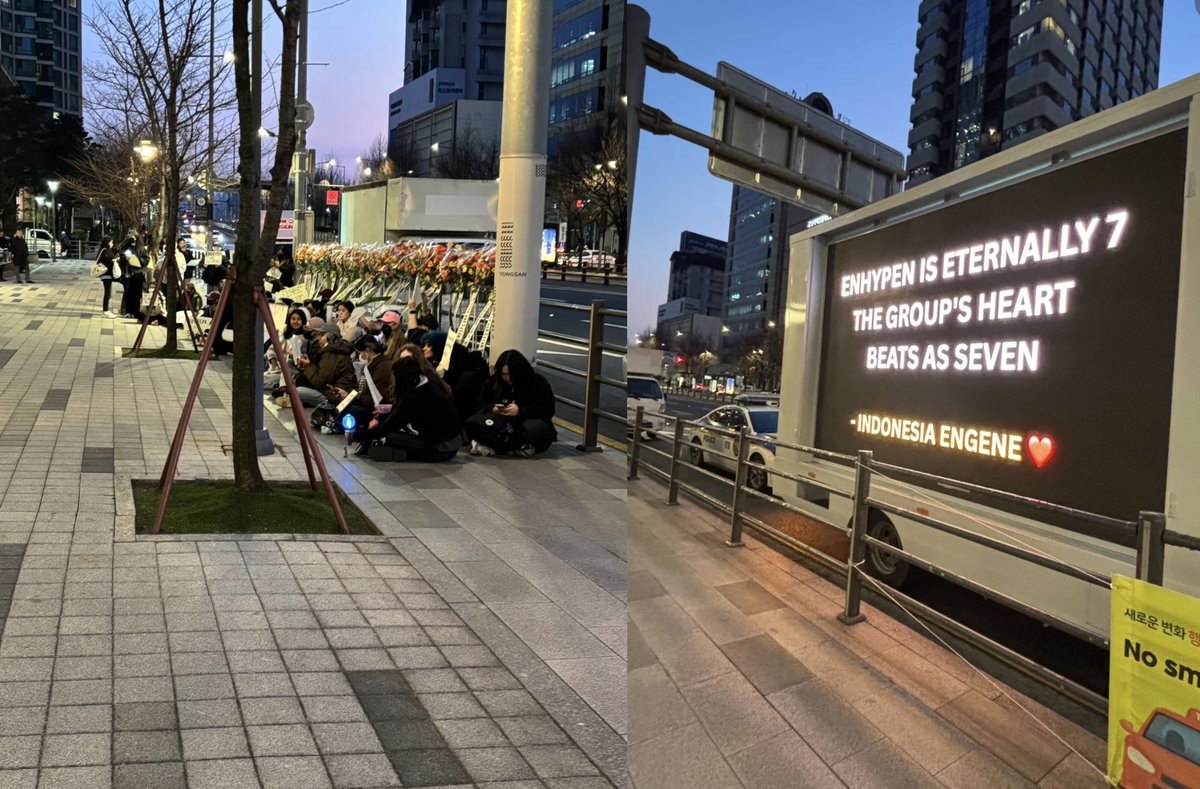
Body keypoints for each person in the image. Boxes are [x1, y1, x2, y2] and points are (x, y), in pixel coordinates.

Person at [351, 352, 463, 463]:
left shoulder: (415, 397)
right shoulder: (429, 382)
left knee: (391, 436)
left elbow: (389, 426)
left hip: (440, 449)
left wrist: (355, 436)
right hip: (452, 443)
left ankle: (396, 449)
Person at [466, 349, 557, 457]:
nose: (507, 378)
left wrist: (520, 411)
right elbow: (479, 403)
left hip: (523, 424)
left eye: (510, 374)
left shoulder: (538, 382)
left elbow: (547, 410)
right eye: (503, 374)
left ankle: (496, 446)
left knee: (538, 429)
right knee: (474, 423)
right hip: (499, 424)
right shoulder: (495, 381)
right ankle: (514, 448)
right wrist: (493, 408)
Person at [329, 335, 396, 442]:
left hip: (376, 410)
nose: (359, 356)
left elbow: (377, 398)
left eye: (360, 353)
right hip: (366, 403)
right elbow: (361, 389)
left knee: (349, 412)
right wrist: (348, 395)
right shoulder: (372, 365)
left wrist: (357, 397)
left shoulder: (382, 367)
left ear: (367, 351)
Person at [286, 324, 356, 408]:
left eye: (322, 335)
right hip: (329, 389)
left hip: (334, 396)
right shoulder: (331, 350)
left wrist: (308, 366)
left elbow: (320, 382)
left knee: (297, 391)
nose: (319, 338)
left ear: (329, 337)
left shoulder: (332, 353)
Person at [120, 236, 146, 318]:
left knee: (137, 294)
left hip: (138, 274)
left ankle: (136, 311)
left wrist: (137, 259)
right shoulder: (125, 247)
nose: (132, 239)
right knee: (128, 293)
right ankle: (128, 311)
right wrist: (125, 258)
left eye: (134, 237)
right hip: (128, 274)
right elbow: (120, 257)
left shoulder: (141, 248)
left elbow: (146, 260)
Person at [96, 238, 119, 317]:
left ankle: (106, 310)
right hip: (106, 274)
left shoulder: (106, 250)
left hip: (106, 274)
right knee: (107, 293)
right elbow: (106, 262)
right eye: (111, 242)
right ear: (108, 243)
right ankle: (105, 310)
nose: (112, 244)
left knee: (108, 293)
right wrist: (114, 260)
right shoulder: (105, 251)